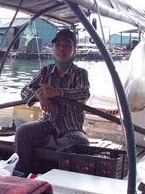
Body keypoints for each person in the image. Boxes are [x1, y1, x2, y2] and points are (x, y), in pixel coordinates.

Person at [14, 28, 90, 174]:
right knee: (22, 131)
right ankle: (20, 173)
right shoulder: (45, 71)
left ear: (74, 50)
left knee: (82, 141)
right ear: (53, 48)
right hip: (47, 124)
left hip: (70, 130)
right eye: (58, 45)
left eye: (67, 45)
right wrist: (40, 96)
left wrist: (57, 92)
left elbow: (83, 93)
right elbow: (24, 91)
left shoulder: (80, 73)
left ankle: (47, 143)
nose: (61, 49)